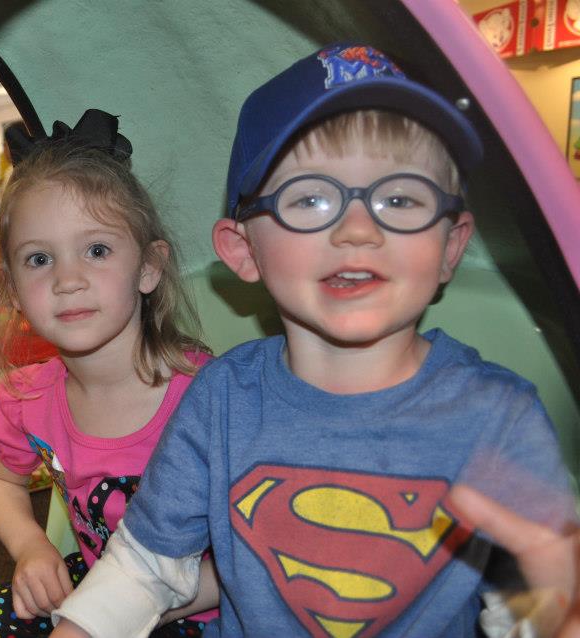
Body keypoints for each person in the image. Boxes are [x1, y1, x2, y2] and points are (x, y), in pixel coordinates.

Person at [50, 44, 578, 637]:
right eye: (311, 199)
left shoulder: (498, 419)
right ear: (243, 250)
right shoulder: (220, 400)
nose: (359, 229)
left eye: (400, 198)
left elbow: (540, 608)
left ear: (450, 247)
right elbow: (144, 568)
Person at [0, 109, 219, 638]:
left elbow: (256, 548)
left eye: (96, 250)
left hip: (198, 609)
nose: (67, 279)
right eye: (39, 259)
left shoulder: (208, 396)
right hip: (93, 589)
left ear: (148, 267)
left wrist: (123, 613)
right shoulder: (29, 397)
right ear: (13, 287)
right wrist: (31, 546)